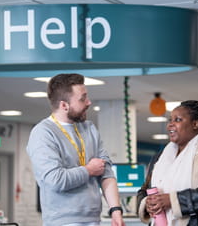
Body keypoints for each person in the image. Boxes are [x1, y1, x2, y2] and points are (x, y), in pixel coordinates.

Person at [26, 73, 125, 226]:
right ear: (64, 105)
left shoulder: (89, 128)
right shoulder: (43, 133)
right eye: (82, 98)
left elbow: (106, 173)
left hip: (94, 219)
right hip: (62, 221)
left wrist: (116, 210)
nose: (89, 102)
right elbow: (55, 180)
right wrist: (89, 170)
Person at [136, 100, 198, 226]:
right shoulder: (159, 158)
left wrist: (172, 200)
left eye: (177, 120)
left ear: (195, 124)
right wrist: (147, 203)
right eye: (170, 120)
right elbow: (144, 189)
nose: (170, 125)